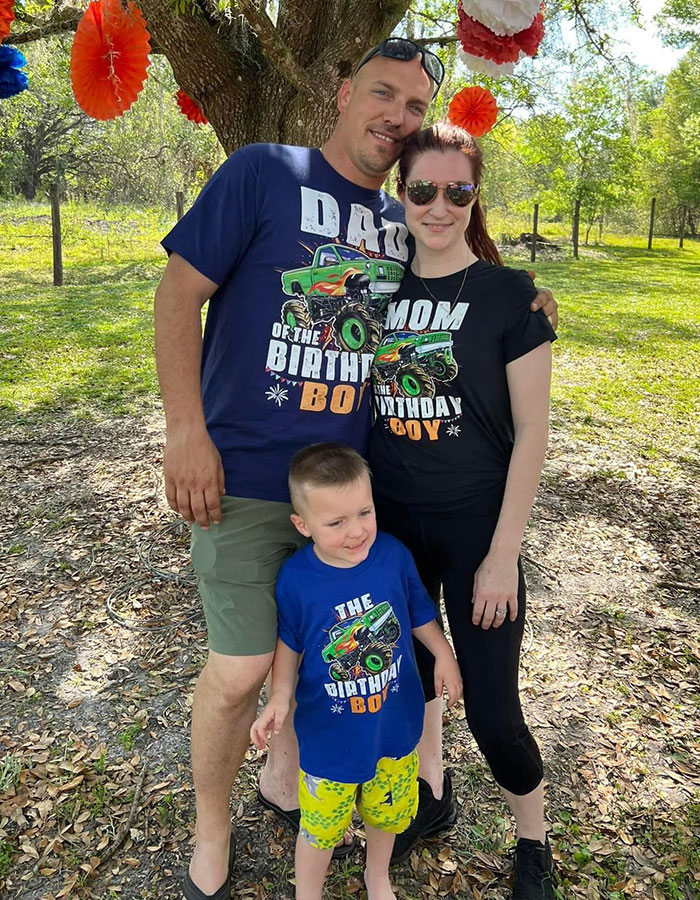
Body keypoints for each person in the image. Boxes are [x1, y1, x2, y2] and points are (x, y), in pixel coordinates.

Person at [154, 37, 558, 899]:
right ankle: (211, 828)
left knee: (349, 646)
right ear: (340, 93)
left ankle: (332, 778)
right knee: (238, 670)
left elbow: (454, 284)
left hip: (357, 493)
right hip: (248, 480)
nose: (397, 117)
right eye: (384, 94)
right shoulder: (264, 172)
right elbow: (177, 293)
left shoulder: (398, 217)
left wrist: (526, 297)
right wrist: (184, 430)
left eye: (414, 107)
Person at [367, 121, 557, 899]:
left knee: (493, 712)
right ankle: (431, 795)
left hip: (480, 532)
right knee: (409, 687)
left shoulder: (512, 297)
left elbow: (534, 433)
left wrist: (503, 553)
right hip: (393, 531)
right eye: (421, 190)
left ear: (474, 197)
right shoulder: (373, 289)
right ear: (400, 192)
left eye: (458, 191)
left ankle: (533, 841)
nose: (438, 206)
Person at [249, 442, 462, 900]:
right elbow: (288, 646)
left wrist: (443, 654)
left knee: (387, 816)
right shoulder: (297, 578)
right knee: (321, 829)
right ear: (303, 526)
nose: (356, 532)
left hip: (394, 730)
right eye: (336, 522)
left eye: (364, 513)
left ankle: (376, 876)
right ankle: (308, 891)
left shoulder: (393, 556)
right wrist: (279, 699)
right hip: (329, 741)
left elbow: (420, 611)